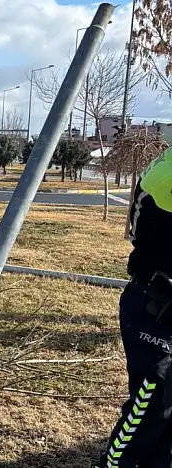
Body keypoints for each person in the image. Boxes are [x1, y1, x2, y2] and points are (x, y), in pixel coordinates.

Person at [96, 149, 172, 468]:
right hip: (154, 300)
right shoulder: (167, 176)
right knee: (153, 396)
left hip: (159, 293)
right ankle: (114, 464)